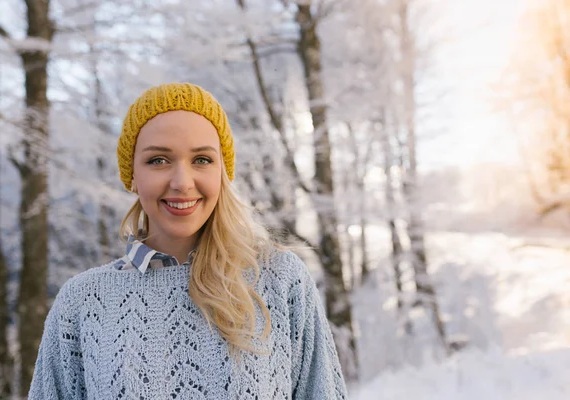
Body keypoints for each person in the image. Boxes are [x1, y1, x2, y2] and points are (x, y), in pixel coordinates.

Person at [28, 82, 348, 399]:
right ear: (132, 177)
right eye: (158, 160)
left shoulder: (281, 280)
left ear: (222, 172)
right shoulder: (82, 302)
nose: (182, 182)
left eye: (202, 160)